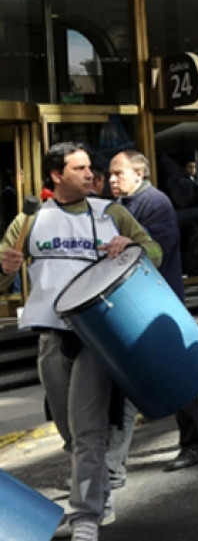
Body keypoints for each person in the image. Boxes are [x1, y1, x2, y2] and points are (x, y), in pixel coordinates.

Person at [0, 143, 162, 541]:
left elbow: (155, 252)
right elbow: (2, 279)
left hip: (96, 335)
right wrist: (4, 269)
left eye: (91, 168)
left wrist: (133, 247)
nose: (92, 175)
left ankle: (86, 516)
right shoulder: (29, 221)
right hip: (51, 336)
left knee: (87, 429)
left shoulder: (113, 213)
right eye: (80, 169)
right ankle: (98, 489)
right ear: (56, 176)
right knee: (68, 431)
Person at [104, 150, 198, 487]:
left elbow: (157, 251)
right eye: (110, 173)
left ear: (139, 173)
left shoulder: (154, 202)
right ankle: (113, 463)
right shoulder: (120, 206)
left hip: (156, 303)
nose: (112, 179)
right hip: (134, 305)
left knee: (176, 373)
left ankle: (196, 441)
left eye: (118, 173)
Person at [169, 160, 198, 276]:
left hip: (193, 219)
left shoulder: (190, 181)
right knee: (193, 248)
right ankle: (194, 273)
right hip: (191, 220)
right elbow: (188, 201)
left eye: (194, 167)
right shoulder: (183, 182)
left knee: (195, 248)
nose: (193, 170)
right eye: (190, 167)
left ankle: (195, 272)